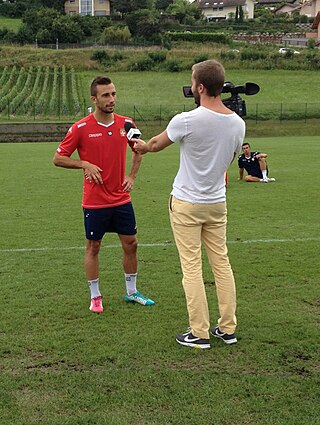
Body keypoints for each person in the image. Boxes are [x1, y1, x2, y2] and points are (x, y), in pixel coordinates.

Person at [134, 60, 245, 349]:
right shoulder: (238, 123)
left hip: (186, 202)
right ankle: (227, 328)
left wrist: (140, 145)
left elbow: (155, 145)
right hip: (216, 203)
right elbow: (229, 161)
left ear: (200, 87)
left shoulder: (186, 119)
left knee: (192, 267)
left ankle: (199, 332)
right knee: (222, 264)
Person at [53, 76, 154, 313]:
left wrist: (131, 177)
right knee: (94, 246)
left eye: (114, 94)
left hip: (121, 199)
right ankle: (95, 296)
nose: (112, 99)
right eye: (106, 95)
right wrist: (84, 164)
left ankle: (132, 292)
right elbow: (58, 158)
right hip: (95, 201)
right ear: (94, 99)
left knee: (131, 244)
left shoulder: (127, 124)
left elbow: (139, 149)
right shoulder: (80, 128)